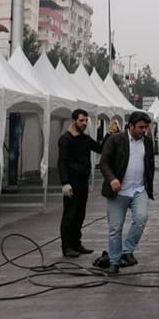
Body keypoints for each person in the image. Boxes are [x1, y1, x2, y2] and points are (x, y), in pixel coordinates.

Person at [98, 110, 157, 275]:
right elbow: (104, 162)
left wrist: (148, 183)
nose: (144, 130)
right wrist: (112, 179)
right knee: (115, 228)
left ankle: (127, 250)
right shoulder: (115, 139)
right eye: (141, 127)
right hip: (118, 192)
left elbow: (150, 163)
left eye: (146, 127)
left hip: (139, 190)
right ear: (131, 126)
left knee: (141, 218)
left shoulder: (147, 142)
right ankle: (114, 262)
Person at [56, 109, 102, 258]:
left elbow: (100, 148)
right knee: (70, 214)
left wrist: (109, 135)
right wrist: (65, 183)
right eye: (81, 120)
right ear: (73, 121)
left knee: (80, 214)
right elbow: (62, 162)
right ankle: (67, 246)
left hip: (83, 181)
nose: (84, 123)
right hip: (72, 182)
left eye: (86, 120)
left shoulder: (85, 139)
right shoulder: (66, 140)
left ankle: (76, 243)